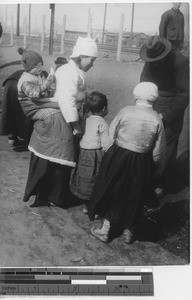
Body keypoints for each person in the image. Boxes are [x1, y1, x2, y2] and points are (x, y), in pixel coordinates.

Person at [18, 37, 98, 208]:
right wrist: (76, 126)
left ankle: (43, 195)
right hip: (57, 120)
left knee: (47, 159)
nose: (93, 64)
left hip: (52, 118)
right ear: (82, 56)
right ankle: (55, 197)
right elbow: (67, 101)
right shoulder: (70, 73)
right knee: (60, 158)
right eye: (92, 59)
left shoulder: (68, 70)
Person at [88, 82, 166, 244]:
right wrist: (152, 165)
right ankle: (129, 231)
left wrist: (110, 152)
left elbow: (112, 132)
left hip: (119, 156)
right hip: (142, 160)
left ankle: (105, 231)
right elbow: (159, 149)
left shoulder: (126, 111)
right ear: (154, 99)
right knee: (135, 194)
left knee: (114, 190)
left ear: (136, 96)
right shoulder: (157, 119)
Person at [139, 35, 189, 199]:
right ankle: (145, 177)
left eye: (158, 60)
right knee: (147, 139)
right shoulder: (150, 58)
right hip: (152, 101)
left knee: (167, 145)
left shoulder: (180, 62)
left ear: (166, 54)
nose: (155, 63)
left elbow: (185, 94)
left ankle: (159, 181)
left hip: (171, 105)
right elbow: (144, 81)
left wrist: (165, 115)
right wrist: (144, 104)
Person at [70, 91, 110, 214]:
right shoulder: (102, 123)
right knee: (95, 177)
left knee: (84, 175)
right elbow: (106, 144)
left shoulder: (85, 120)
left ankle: (85, 204)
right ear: (104, 109)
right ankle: (93, 205)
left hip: (83, 152)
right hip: (95, 154)